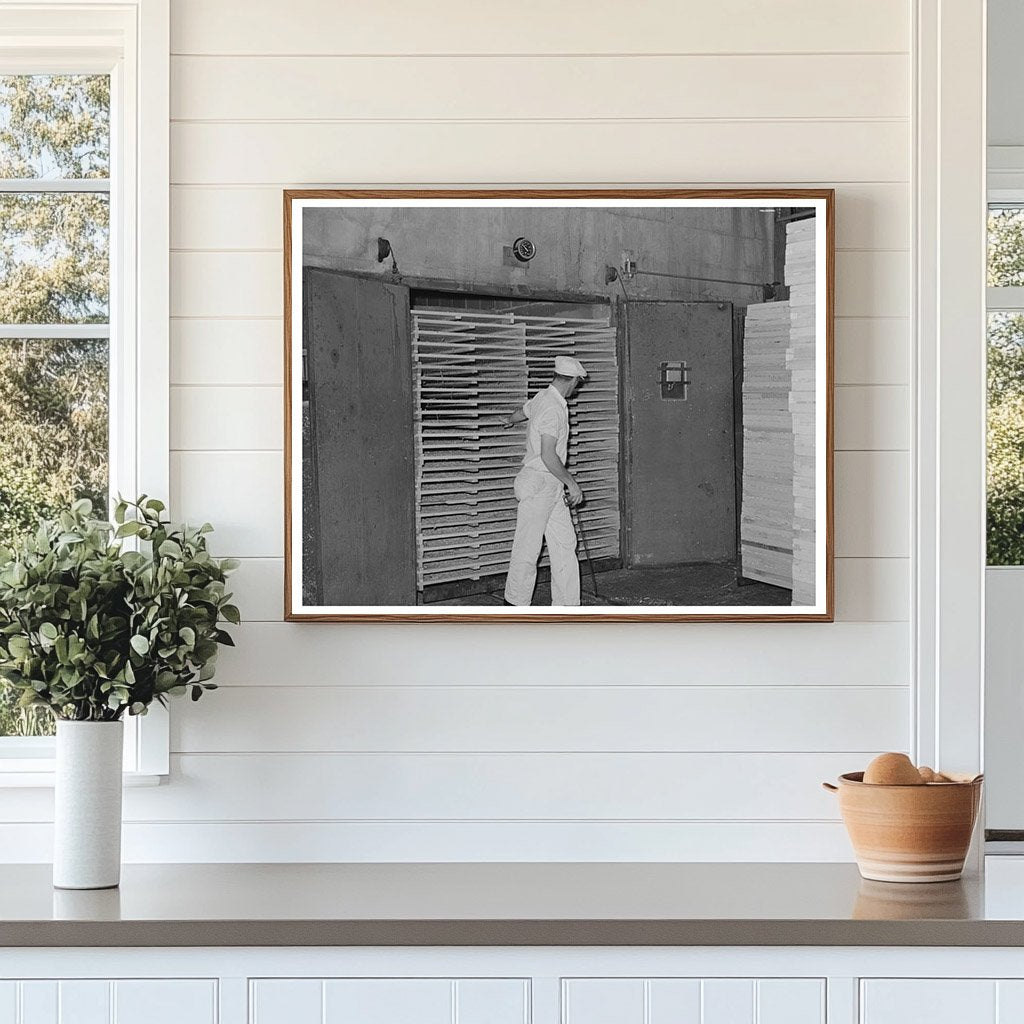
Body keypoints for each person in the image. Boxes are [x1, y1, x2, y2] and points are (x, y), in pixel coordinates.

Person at [501, 355, 588, 606]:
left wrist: (509, 419)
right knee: (528, 548)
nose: (577, 387)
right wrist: (571, 483)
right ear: (570, 380)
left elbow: (523, 412)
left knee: (564, 543)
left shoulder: (544, 398)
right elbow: (548, 455)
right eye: (577, 383)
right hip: (540, 481)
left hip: (549, 485)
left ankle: (566, 606)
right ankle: (515, 606)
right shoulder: (552, 408)